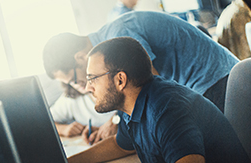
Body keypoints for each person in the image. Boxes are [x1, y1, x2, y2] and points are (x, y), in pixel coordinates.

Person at [67, 37, 251, 163]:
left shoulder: (165, 107)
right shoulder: (130, 105)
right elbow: (120, 145)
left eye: (92, 78)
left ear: (120, 80)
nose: (87, 87)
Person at [43, 11, 238, 145]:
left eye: (74, 80)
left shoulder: (119, 35)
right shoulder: (107, 44)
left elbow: (149, 89)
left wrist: (117, 122)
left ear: (79, 58)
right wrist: (111, 124)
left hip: (216, 81)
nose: (82, 86)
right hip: (200, 86)